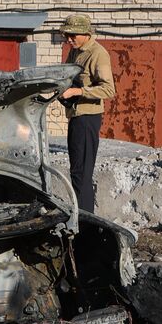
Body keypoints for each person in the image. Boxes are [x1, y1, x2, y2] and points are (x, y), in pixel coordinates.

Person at [59, 14, 115, 214]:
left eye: (73, 35)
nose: (69, 39)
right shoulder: (75, 52)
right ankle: (80, 215)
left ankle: (85, 219)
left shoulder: (98, 54)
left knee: (82, 173)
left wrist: (77, 92)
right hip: (75, 115)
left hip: (87, 118)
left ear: (85, 33)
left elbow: (109, 89)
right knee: (77, 172)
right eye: (67, 35)